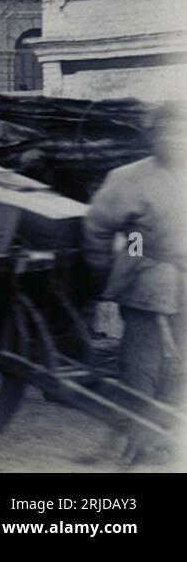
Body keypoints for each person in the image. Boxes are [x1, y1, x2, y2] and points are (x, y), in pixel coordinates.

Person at [84, 103, 187, 465]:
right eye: (168, 132)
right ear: (152, 136)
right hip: (149, 284)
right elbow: (97, 227)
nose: (177, 140)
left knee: (180, 370)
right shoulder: (130, 179)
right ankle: (134, 442)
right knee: (141, 369)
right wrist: (103, 273)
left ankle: (161, 439)